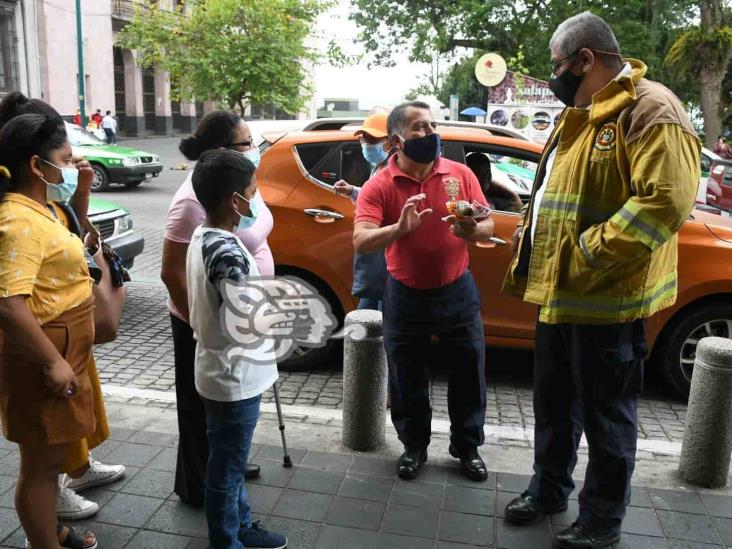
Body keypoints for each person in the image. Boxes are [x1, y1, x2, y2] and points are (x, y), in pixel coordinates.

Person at [502, 12, 700, 548]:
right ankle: (548, 490)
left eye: (557, 64)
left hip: (606, 301)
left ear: (586, 59)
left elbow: (664, 202)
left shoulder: (651, 108)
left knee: (607, 418)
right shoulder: (580, 115)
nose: (554, 75)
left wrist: (588, 252)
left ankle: (601, 521)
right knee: (553, 405)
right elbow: (554, 200)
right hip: (559, 295)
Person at [0, 91, 126, 523]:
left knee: (50, 451)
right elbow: (9, 303)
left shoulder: (42, 208)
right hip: (47, 348)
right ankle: (47, 534)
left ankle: (54, 521)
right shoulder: (18, 220)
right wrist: (53, 362)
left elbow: (69, 233)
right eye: (67, 158)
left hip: (64, 342)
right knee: (40, 466)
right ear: (36, 163)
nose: (74, 166)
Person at [353, 101, 493, 482]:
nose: (430, 132)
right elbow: (362, 240)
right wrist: (398, 229)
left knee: (469, 372)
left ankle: (467, 448)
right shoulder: (380, 184)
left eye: (432, 125)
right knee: (407, 374)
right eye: (419, 127)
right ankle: (414, 446)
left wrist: (474, 230)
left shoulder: (460, 174)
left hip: (457, 290)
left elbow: (488, 224)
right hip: (405, 293)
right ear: (397, 140)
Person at [162, 110, 264, 507]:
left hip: (222, 318)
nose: (254, 149)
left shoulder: (234, 184)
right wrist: (202, 327)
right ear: (222, 151)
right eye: (246, 143)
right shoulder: (191, 202)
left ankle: (225, 465)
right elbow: (171, 271)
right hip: (203, 322)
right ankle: (201, 484)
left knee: (221, 419)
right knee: (197, 408)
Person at [186, 148, 287, 549]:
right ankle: (227, 542)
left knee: (229, 464)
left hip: (221, 370)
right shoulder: (226, 252)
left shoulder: (207, 236)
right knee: (226, 472)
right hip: (234, 379)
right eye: (252, 191)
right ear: (235, 201)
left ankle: (242, 526)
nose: (255, 199)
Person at [334, 111, 391, 311]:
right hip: (375, 259)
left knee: (377, 318)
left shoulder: (394, 172)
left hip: (387, 259)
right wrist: (353, 191)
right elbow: (373, 201)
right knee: (368, 315)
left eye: (373, 139)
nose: (367, 144)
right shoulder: (378, 167)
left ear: (391, 141)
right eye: (363, 139)